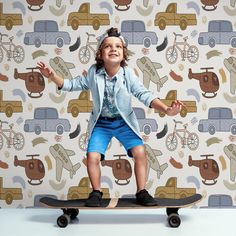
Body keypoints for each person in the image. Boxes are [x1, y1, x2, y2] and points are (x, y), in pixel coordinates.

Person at [37, 27, 183, 207]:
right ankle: (96, 192)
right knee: (92, 156)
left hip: (124, 123)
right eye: (108, 46)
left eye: (118, 47)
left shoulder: (127, 74)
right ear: (100, 53)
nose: (113, 49)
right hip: (102, 124)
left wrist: (166, 109)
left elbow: (144, 94)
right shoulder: (93, 73)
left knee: (140, 153)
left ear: (123, 54)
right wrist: (52, 77)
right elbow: (71, 84)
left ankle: (141, 192)